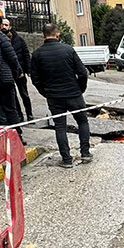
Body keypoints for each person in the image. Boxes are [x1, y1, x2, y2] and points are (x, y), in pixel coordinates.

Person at [30, 24, 92, 167]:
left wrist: (46, 93)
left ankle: (66, 159)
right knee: (82, 122)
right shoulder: (68, 50)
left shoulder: (37, 54)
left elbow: (35, 79)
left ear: (43, 35)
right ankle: (85, 153)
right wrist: (80, 89)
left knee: (60, 126)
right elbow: (82, 72)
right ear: (57, 34)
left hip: (54, 96)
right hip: (74, 94)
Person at [0, 16, 35, 122]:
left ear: (10, 26)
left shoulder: (18, 39)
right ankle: (19, 115)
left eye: (6, 25)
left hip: (20, 71)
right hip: (8, 72)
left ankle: (29, 113)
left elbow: (26, 54)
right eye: (2, 25)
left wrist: (28, 69)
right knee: (12, 95)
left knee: (24, 94)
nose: (4, 27)